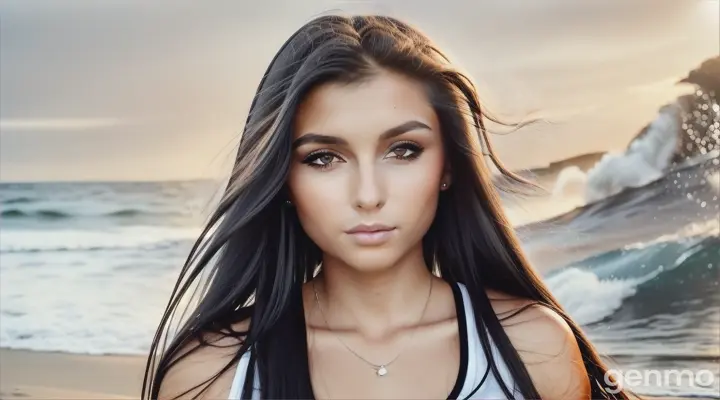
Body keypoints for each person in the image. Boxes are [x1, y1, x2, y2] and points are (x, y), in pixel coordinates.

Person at [143, 15, 632, 400]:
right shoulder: (212, 374)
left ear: (447, 165)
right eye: (324, 158)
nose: (368, 193)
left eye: (403, 151)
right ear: (284, 180)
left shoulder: (533, 348)